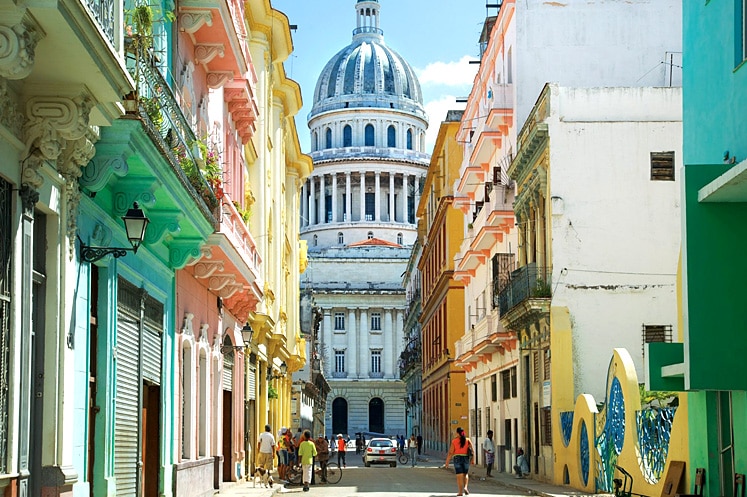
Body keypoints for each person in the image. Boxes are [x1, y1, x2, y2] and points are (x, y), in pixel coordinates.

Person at [443, 427, 474, 496]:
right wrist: (473, 460)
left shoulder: (454, 441)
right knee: (465, 474)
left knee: (459, 475)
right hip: (466, 458)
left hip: (457, 458)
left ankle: (460, 492)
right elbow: (472, 451)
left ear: (457, 433)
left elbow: (451, 452)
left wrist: (447, 462)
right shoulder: (468, 440)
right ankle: (465, 487)